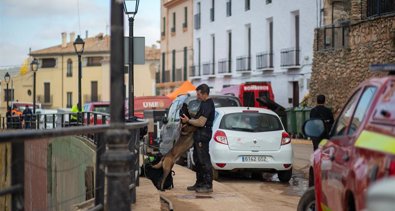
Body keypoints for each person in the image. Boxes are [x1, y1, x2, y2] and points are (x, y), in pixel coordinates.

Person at [180, 84, 215, 193]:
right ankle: (199, 183)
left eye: (199, 94)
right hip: (199, 134)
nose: (197, 97)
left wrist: (188, 121)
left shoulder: (208, 105)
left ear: (205, 94)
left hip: (203, 134)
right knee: (197, 159)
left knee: (204, 160)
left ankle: (208, 185)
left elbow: (201, 122)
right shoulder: (204, 103)